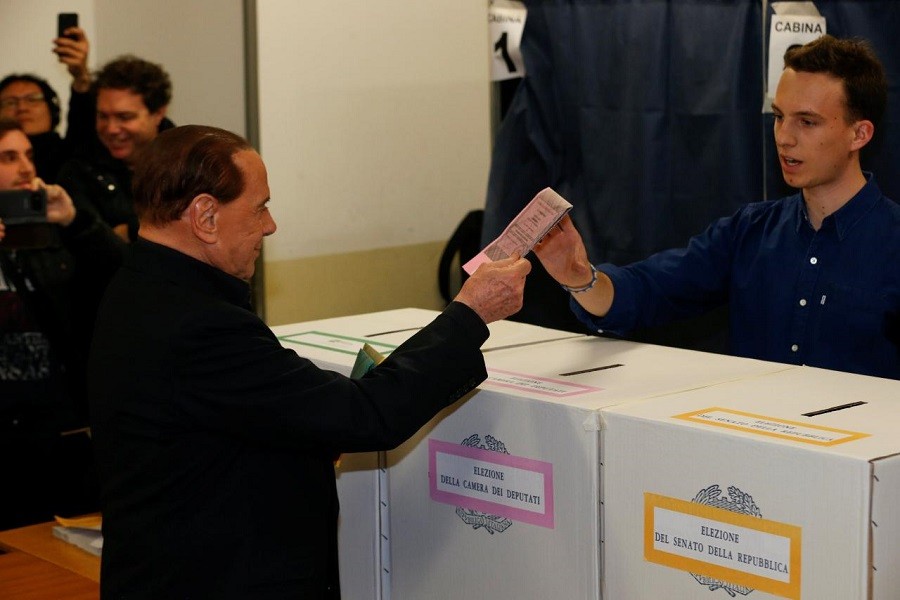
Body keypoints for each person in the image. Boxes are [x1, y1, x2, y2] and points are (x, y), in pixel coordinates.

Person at [88, 124, 530, 598]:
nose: (270, 225)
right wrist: (470, 315)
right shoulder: (200, 323)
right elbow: (365, 415)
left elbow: (232, 422)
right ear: (205, 217)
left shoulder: (136, 288)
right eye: (259, 207)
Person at [533, 35, 900, 380]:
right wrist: (581, 277)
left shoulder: (891, 241)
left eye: (807, 122)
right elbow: (652, 289)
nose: (785, 137)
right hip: (749, 438)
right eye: (778, 116)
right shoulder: (750, 230)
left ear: (859, 134)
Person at [0, 118, 123, 530]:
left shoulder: (48, 230)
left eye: (29, 156)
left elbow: (126, 278)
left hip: (60, 427)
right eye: (8, 157)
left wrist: (77, 220)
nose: (25, 168)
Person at [58, 54, 174, 242]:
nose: (111, 129)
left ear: (158, 113)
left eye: (124, 117)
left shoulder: (190, 163)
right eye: (103, 116)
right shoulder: (79, 171)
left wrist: (131, 230)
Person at [0, 26, 94, 182]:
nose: (22, 108)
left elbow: (82, 122)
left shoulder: (72, 157)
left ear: (52, 110)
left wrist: (81, 77)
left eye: (32, 99)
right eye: (10, 102)